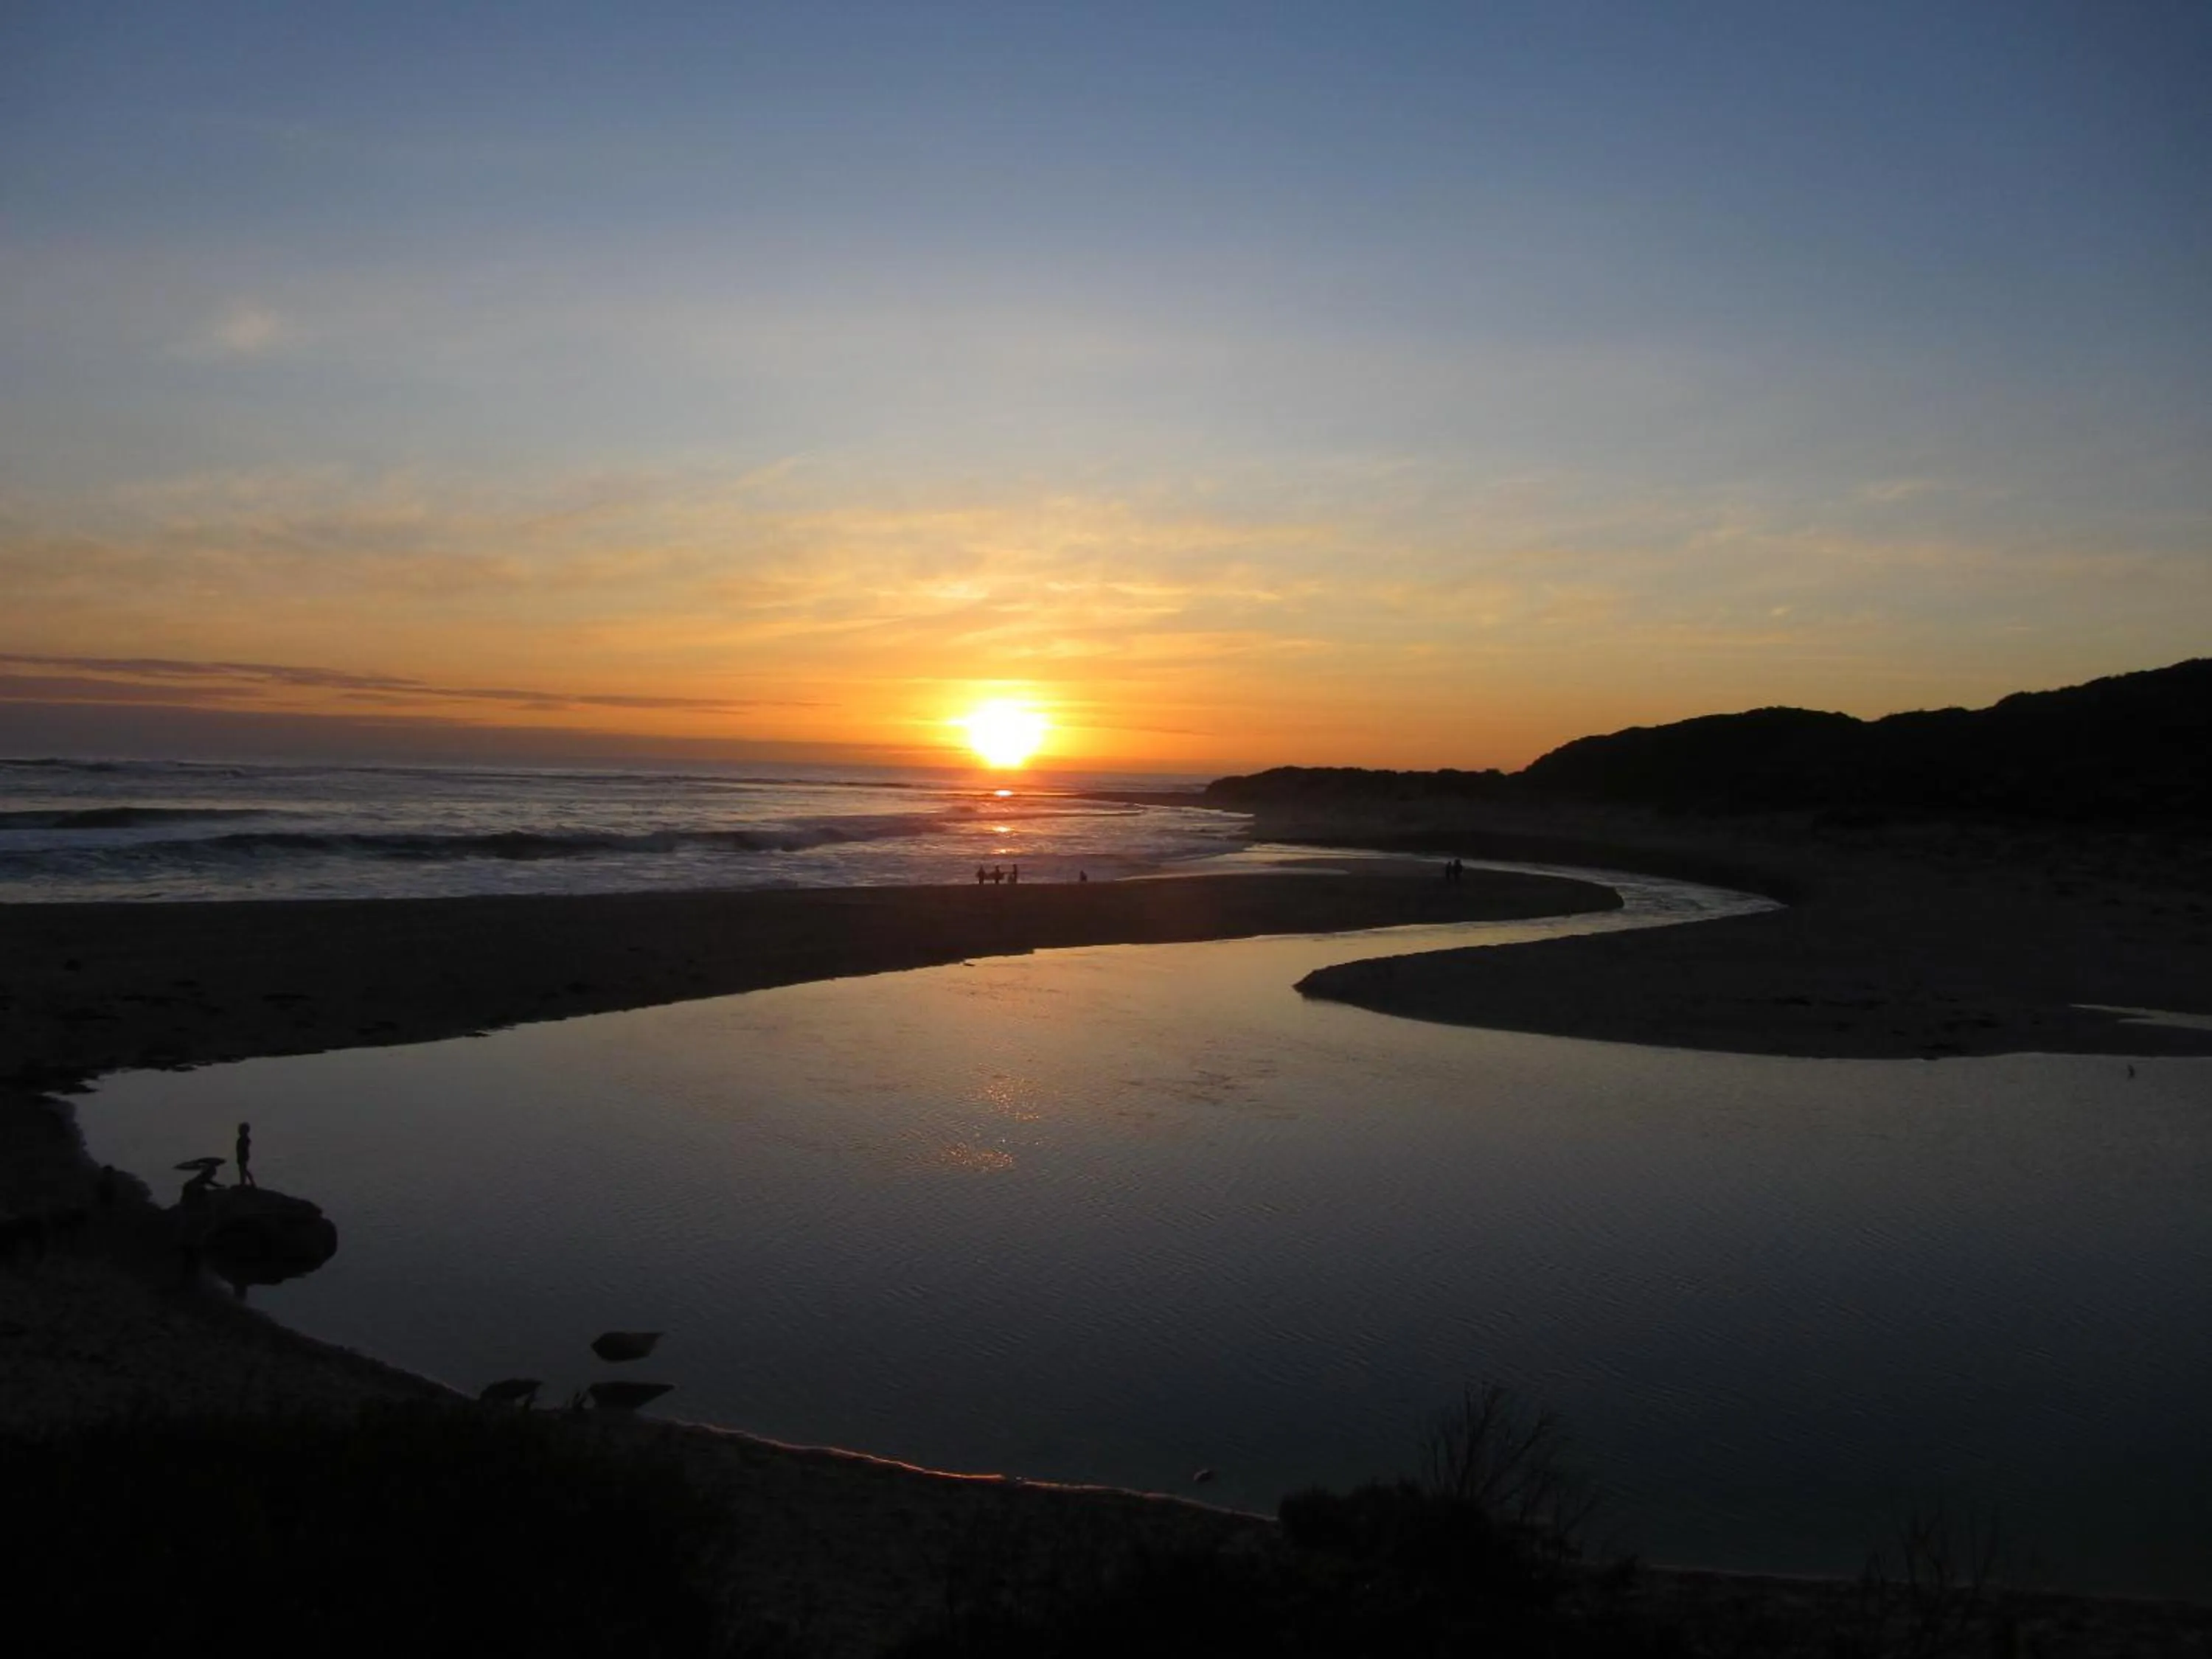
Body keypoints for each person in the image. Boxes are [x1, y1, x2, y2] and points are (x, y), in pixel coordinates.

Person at [234, 1121, 255, 1188]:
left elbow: (242, 1148)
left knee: (243, 1170)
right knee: (242, 1170)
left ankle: (245, 1183)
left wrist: (240, 1156)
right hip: (242, 1156)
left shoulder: (244, 1139)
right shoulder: (243, 1139)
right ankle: (243, 1182)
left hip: (243, 1156)